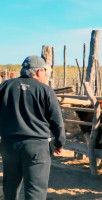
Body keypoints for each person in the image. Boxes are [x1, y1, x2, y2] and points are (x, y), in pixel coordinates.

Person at [0, 55, 66, 200]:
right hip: (37, 146)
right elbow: (57, 121)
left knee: (10, 187)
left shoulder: (5, 86)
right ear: (38, 72)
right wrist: (59, 142)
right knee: (35, 190)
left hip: (10, 144)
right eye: (44, 72)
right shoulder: (45, 90)